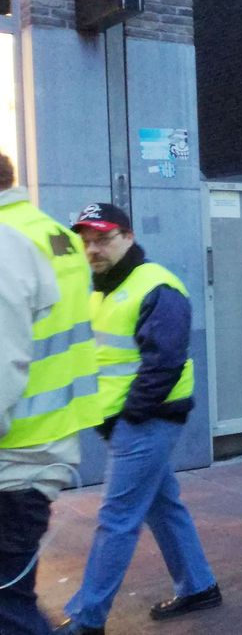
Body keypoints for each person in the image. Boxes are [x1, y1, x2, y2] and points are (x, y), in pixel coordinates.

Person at [57, 203, 220, 634]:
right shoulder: (98, 288)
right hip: (122, 421)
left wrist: (130, 416)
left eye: (103, 239)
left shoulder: (157, 286)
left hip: (147, 421)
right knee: (162, 505)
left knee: (117, 517)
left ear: (128, 237)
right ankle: (199, 585)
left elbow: (163, 365)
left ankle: (87, 618)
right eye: (87, 241)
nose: (93, 249)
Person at [0, 157, 100, 635]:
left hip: (12, 460)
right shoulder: (51, 233)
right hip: (41, 448)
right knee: (12, 598)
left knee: (10, 611)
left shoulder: (5, 242)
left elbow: (2, 365)